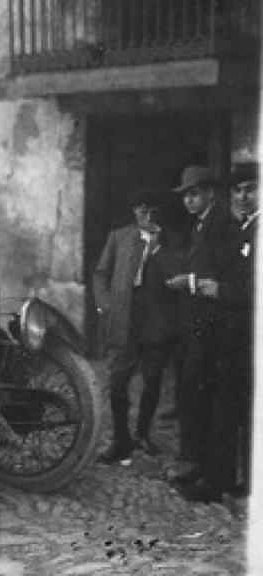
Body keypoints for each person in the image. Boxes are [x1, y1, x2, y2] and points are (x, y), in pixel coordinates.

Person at [179, 161, 257, 502]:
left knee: (233, 406)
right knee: (226, 404)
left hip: (245, 331)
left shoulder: (245, 228)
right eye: (238, 190)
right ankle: (224, 476)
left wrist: (217, 289)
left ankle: (222, 480)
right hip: (232, 329)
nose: (242, 196)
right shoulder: (244, 228)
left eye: (251, 189)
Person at [94, 189, 181, 464]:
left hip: (157, 321)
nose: (147, 215)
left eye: (153, 210)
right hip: (124, 320)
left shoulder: (173, 240)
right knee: (117, 381)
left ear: (160, 212)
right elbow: (100, 274)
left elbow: (176, 277)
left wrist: (158, 247)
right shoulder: (118, 237)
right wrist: (105, 305)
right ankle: (121, 439)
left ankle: (142, 433)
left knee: (152, 380)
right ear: (134, 211)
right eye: (142, 209)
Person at [164, 165, 237, 488]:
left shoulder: (221, 222)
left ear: (210, 192)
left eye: (194, 194)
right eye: (185, 196)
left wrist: (189, 281)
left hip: (211, 321)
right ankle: (193, 459)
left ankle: (200, 463)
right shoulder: (201, 224)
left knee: (202, 392)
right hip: (195, 320)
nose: (188, 201)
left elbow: (222, 271)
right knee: (192, 390)